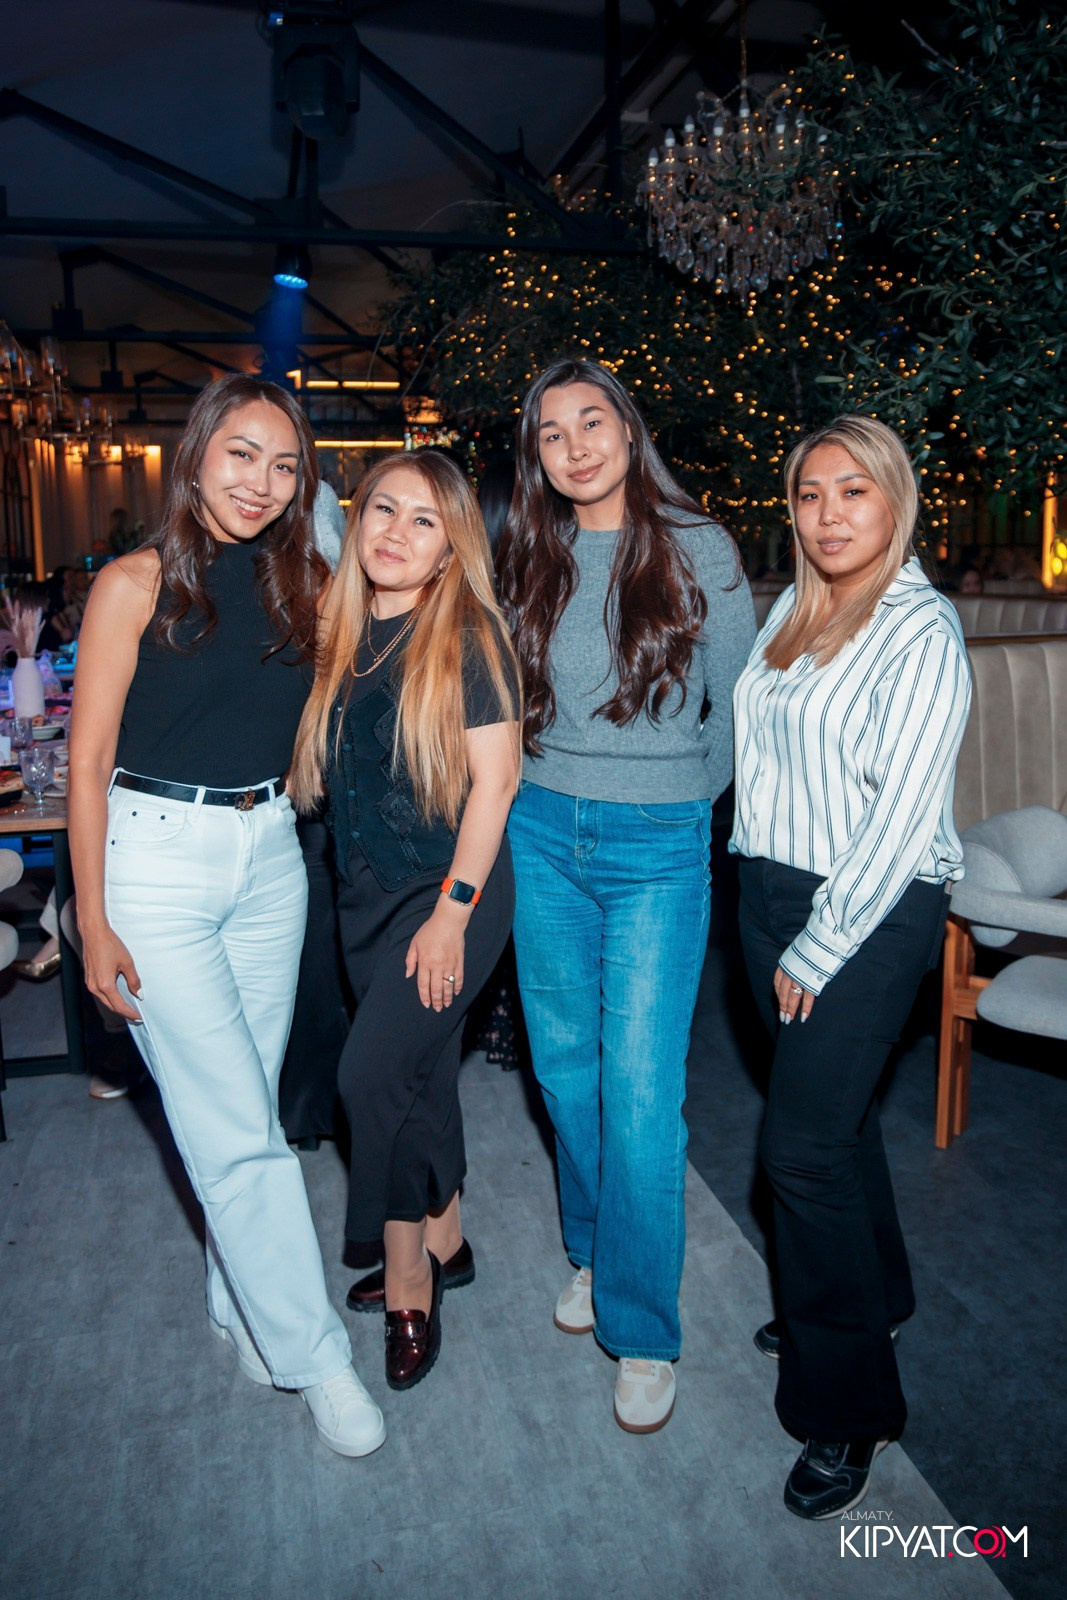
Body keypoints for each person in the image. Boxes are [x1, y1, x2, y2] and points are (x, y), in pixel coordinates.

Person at [68, 373, 386, 1459]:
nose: (262, 481)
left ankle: (238, 1306)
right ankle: (316, 1356)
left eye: (286, 465)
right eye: (242, 454)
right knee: (241, 1135)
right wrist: (92, 921)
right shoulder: (132, 583)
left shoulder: (310, 584)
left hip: (268, 855)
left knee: (241, 1105)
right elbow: (86, 765)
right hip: (154, 862)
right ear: (197, 454)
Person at [498, 357, 754, 1434]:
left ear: (627, 428)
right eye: (551, 434)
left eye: (590, 422)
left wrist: (681, 797)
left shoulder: (698, 546)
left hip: (656, 847)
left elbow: (739, 707)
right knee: (563, 1070)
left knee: (640, 1090)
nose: (574, 448)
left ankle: (643, 1327)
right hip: (538, 832)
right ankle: (597, 1251)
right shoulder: (531, 549)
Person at [730, 415, 971, 1519]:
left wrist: (821, 942)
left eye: (852, 491)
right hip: (769, 889)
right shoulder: (796, 604)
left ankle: (849, 1404)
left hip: (865, 907)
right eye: (809, 494)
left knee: (800, 1150)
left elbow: (901, 815)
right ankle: (874, 1295)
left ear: (894, 500)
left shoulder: (920, 628)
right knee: (835, 1124)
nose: (828, 514)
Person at [289, 448, 520, 1391]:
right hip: (364, 897)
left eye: (424, 520)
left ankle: (410, 1278)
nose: (395, 532)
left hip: (450, 894)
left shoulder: (468, 636)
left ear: (451, 546)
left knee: (371, 1075)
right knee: (419, 1077)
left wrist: (452, 917)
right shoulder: (342, 627)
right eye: (383, 509)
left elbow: (496, 785)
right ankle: (450, 1239)